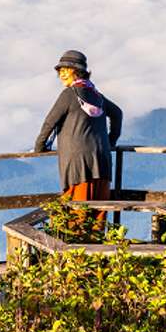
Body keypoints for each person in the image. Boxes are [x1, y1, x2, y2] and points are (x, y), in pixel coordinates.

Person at [34, 50, 123, 211]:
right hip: (102, 163)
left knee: (76, 219)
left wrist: (39, 147)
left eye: (65, 70)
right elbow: (117, 114)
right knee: (97, 217)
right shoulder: (96, 95)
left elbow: (49, 123)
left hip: (78, 165)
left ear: (77, 71)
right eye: (60, 71)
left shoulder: (69, 94)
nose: (61, 75)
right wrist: (110, 142)